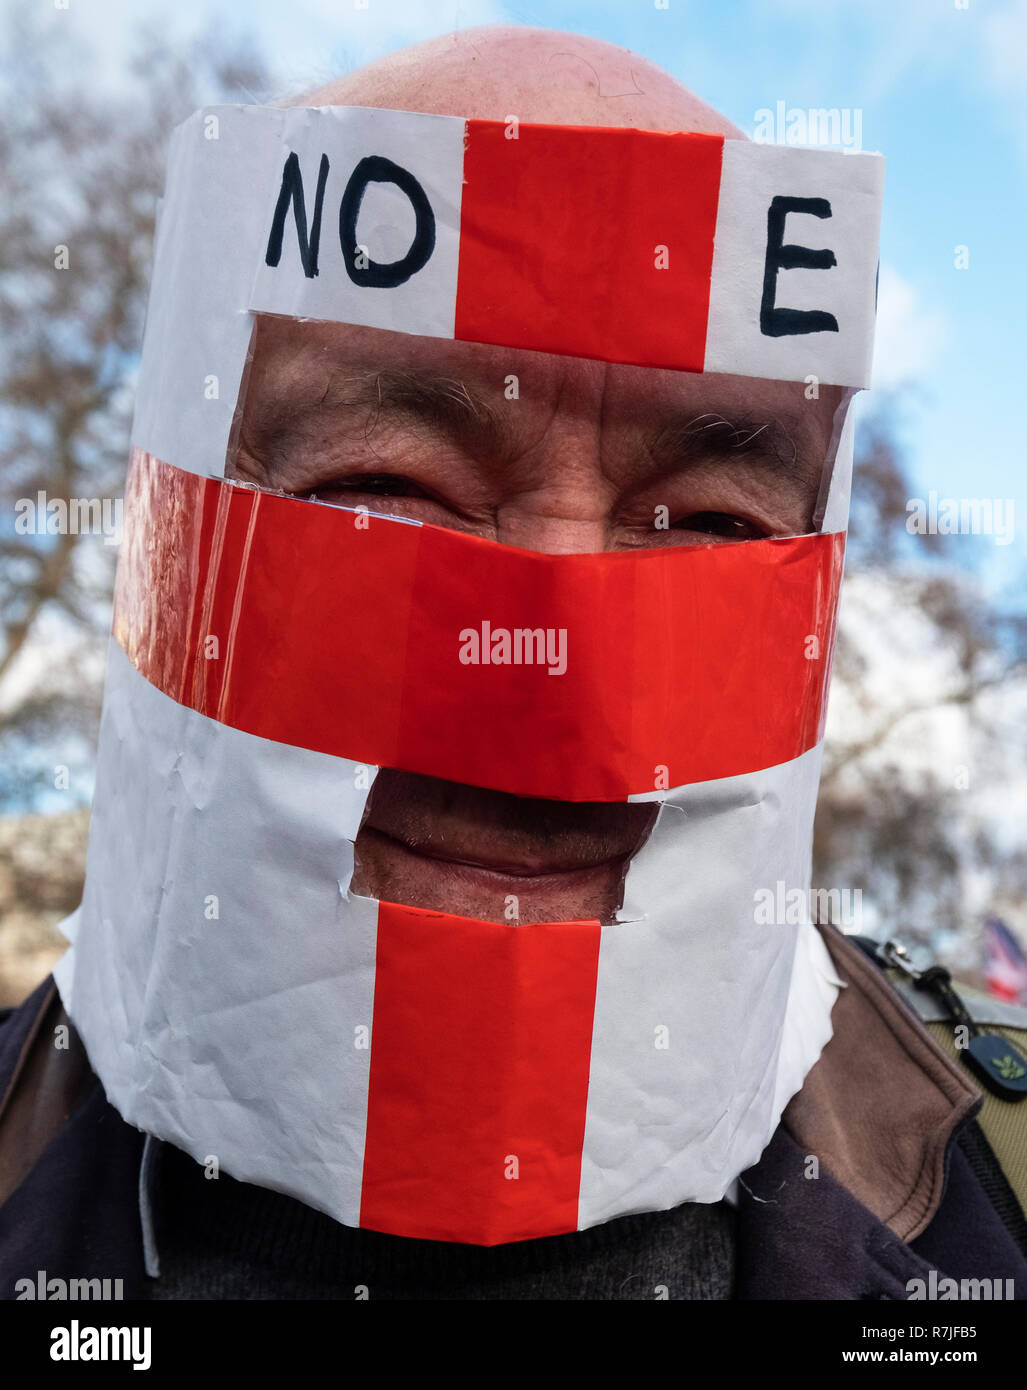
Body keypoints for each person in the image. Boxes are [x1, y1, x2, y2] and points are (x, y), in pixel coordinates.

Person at [1, 24, 1025, 1302]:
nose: (560, 708)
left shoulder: (1001, 1191)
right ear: (163, 556)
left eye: (708, 523)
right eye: (386, 491)